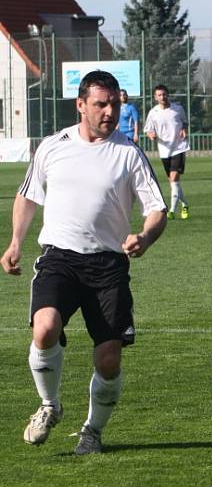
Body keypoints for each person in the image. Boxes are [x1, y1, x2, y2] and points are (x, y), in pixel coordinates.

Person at [0, 70, 167, 455]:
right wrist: (14, 242)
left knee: (108, 359)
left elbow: (157, 209)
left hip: (108, 266)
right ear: (81, 105)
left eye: (115, 104)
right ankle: (49, 405)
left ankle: (92, 430)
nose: (110, 112)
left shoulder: (129, 153)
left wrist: (145, 235)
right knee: (44, 329)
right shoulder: (52, 146)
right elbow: (28, 197)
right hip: (59, 259)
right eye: (101, 104)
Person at [144, 84, 191, 220]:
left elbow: (185, 122)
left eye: (164, 94)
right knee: (172, 181)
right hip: (164, 150)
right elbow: (148, 129)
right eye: (159, 95)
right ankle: (185, 204)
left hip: (179, 147)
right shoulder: (153, 113)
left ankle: (171, 210)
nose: (162, 97)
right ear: (155, 97)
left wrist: (184, 129)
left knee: (175, 178)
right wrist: (151, 134)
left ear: (168, 95)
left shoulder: (177, 109)